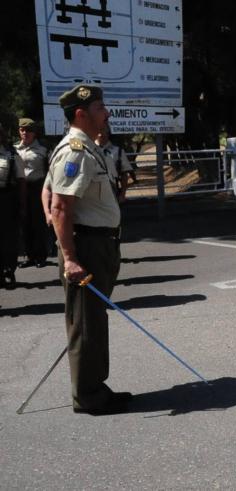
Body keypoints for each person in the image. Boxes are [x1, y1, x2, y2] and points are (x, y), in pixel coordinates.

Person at [48, 84, 131, 415]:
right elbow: (60, 209)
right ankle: (88, 396)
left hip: (100, 243)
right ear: (81, 113)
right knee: (85, 322)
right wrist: (70, 259)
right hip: (86, 246)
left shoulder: (91, 148)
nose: (106, 113)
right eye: (100, 108)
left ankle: (96, 387)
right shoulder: (75, 152)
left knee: (93, 320)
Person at [16, 118, 50, 268]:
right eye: (22, 130)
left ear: (34, 133)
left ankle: (40, 257)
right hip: (19, 190)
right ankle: (29, 256)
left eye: (28, 130)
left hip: (37, 188)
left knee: (38, 223)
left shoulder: (43, 149)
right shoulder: (14, 149)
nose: (25, 133)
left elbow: (50, 171)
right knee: (24, 224)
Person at [0, 124, 26, 287]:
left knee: (8, 239)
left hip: (6, 200)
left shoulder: (11, 155)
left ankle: (8, 270)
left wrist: (22, 205)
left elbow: (21, 181)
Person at [96, 126, 133, 203]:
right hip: (93, 192)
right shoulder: (88, 150)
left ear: (108, 133)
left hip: (113, 190)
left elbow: (124, 174)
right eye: (98, 130)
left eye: (103, 130)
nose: (101, 134)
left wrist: (122, 195)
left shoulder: (118, 151)